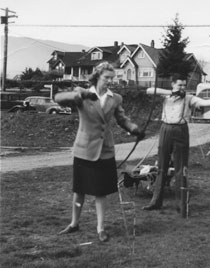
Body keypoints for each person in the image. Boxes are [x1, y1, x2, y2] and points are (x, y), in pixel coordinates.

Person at [55, 62, 144, 242]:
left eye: (113, 78)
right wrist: (78, 94)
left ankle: (100, 228)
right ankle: (74, 223)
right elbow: (58, 97)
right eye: (107, 78)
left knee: (100, 192)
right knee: (79, 190)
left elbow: (122, 119)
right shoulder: (84, 95)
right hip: (84, 149)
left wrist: (134, 129)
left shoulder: (115, 98)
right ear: (97, 77)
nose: (110, 81)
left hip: (105, 151)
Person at [142, 73, 210, 211]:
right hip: (165, 129)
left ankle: (181, 203)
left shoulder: (188, 98)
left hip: (181, 131)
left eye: (184, 85)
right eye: (179, 85)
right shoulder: (166, 96)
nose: (182, 88)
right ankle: (156, 202)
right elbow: (148, 91)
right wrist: (172, 93)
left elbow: (203, 102)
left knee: (180, 168)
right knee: (161, 167)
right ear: (173, 85)